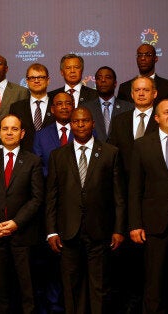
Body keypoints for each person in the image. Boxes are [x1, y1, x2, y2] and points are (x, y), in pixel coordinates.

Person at [46, 107, 126, 313]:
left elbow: (118, 196)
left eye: (85, 121)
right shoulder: (58, 155)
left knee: (99, 288)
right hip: (67, 232)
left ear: (92, 123)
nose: (80, 125)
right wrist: (52, 231)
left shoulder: (110, 152)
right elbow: (52, 196)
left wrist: (118, 229)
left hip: (100, 231)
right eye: (76, 122)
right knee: (71, 287)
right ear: (70, 125)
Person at [0, 114, 44, 314]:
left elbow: (37, 198)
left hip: (22, 235)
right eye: (5, 129)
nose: (9, 133)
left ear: (22, 134)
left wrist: (16, 223)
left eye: (14, 129)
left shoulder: (32, 161)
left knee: (27, 292)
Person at [129, 99, 168, 313]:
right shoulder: (142, 144)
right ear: (157, 118)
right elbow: (135, 188)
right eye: (166, 112)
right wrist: (135, 224)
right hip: (152, 225)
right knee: (153, 284)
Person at [108, 76, 159, 175]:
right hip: (126, 182)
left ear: (155, 94)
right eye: (137, 90)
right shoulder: (118, 121)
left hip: (154, 182)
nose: (141, 94)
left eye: (146, 90)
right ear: (132, 94)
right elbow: (112, 153)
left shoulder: (161, 120)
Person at [80, 66, 134, 142]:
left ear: (115, 83)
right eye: (99, 78)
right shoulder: (86, 109)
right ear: (95, 83)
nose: (103, 80)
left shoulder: (129, 108)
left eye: (108, 77)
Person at [9, 63, 55, 151]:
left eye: (40, 77)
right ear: (27, 81)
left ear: (48, 80)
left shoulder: (57, 106)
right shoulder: (16, 107)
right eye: (32, 78)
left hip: (52, 159)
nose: (36, 81)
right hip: (25, 160)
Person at [33, 92, 75, 176]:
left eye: (68, 103)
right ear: (52, 109)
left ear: (73, 107)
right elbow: (38, 166)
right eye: (59, 104)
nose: (64, 107)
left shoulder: (84, 132)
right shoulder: (41, 135)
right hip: (50, 185)